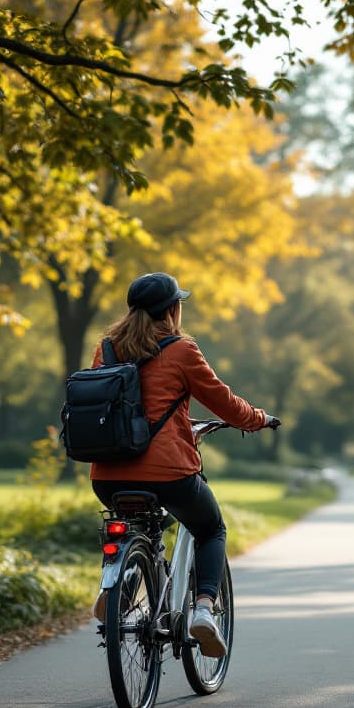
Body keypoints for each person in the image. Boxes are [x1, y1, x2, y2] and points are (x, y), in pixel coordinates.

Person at [91, 272, 274, 658]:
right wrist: (258, 419)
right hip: (169, 473)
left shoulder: (106, 349)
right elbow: (223, 402)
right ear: (173, 310)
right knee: (210, 528)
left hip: (107, 475)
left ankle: (120, 586)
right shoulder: (181, 350)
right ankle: (205, 610)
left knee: (144, 521)